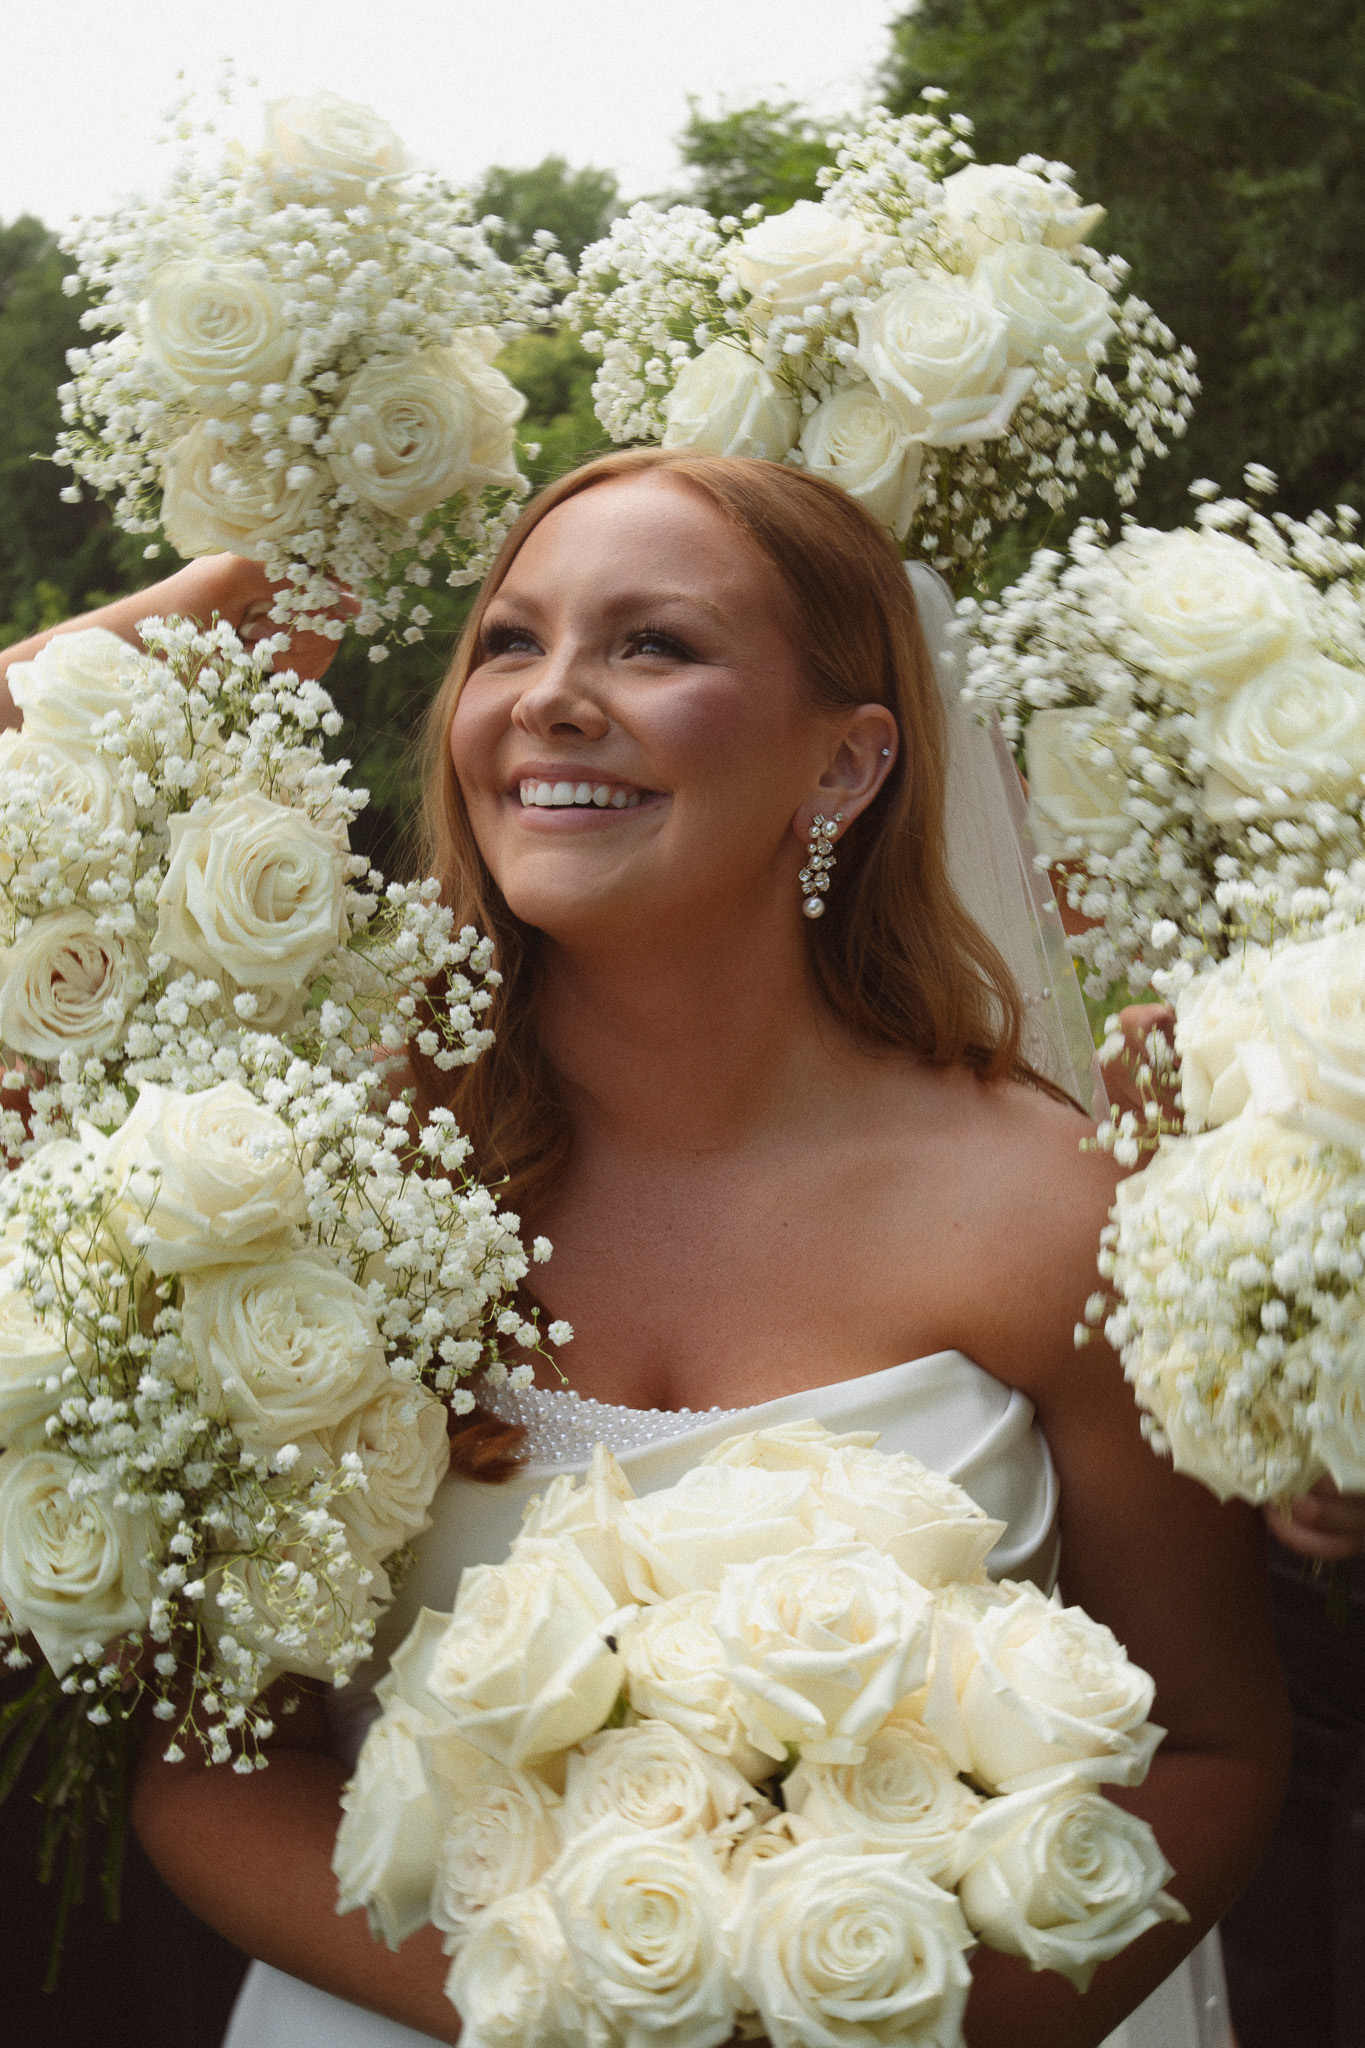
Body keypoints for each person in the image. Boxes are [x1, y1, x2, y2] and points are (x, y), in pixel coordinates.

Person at [1, 452, 1289, 2046]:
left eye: (651, 645)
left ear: (845, 766)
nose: (549, 698)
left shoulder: (1056, 1208)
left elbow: (1216, 1751)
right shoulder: (307, 1186)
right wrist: (583, 2015)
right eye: (509, 642)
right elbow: (213, 1774)